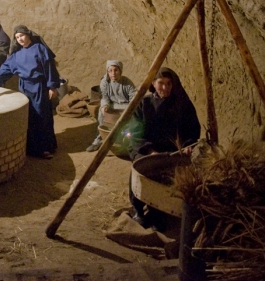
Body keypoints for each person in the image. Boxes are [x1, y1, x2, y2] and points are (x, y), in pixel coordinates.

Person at [127, 67, 201, 230]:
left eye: (169, 84)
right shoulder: (144, 104)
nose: (165, 88)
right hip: (145, 147)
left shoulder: (182, 104)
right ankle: (137, 209)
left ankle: (157, 211)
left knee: (172, 171)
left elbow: (192, 129)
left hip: (173, 149)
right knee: (141, 168)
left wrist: (188, 145)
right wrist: (150, 151)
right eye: (161, 83)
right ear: (153, 83)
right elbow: (134, 134)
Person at [0, 25, 60, 159]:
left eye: (21, 36)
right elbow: (7, 67)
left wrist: (52, 86)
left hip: (39, 87)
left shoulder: (40, 48)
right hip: (24, 87)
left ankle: (45, 148)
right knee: (29, 116)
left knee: (41, 117)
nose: (20, 39)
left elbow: (49, 67)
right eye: (17, 37)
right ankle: (31, 148)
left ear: (28, 35)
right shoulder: (16, 55)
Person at [86, 60, 137, 152]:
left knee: (130, 121)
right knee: (102, 112)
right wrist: (105, 106)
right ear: (107, 71)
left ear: (120, 71)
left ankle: (128, 141)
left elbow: (133, 99)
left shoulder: (127, 83)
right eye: (110, 71)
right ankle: (99, 139)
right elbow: (105, 97)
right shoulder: (104, 82)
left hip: (125, 107)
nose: (113, 73)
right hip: (112, 105)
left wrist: (128, 108)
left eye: (116, 70)